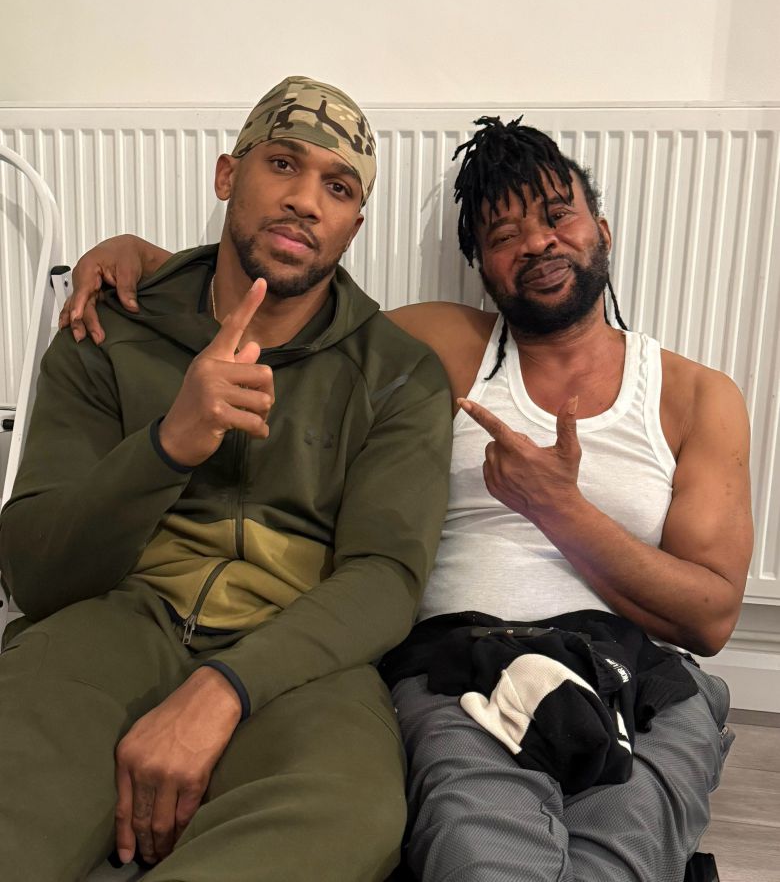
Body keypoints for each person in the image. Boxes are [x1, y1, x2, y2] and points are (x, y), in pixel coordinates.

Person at [56, 115, 753, 882]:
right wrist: (147, 261)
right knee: (483, 862)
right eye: (504, 235)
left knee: (625, 854)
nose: (537, 243)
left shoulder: (695, 396)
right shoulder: (445, 345)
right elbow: (291, 303)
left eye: (559, 215)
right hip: (465, 666)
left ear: (602, 230)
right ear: (481, 267)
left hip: (638, 680)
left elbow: (711, 616)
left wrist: (562, 510)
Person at [0, 75, 453, 882]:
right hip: (114, 617)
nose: (305, 200)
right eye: (283, 163)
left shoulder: (398, 375)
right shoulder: (109, 326)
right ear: (227, 175)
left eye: (338, 187)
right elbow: (34, 571)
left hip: (298, 653)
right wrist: (170, 443)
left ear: (353, 225)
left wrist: (225, 687)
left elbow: (386, 577)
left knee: (352, 812)